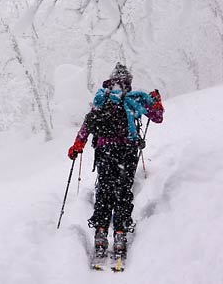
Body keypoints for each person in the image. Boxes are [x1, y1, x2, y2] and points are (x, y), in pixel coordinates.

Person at [67, 63, 164, 261]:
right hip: (127, 151)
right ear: (128, 81)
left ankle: (101, 234)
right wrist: (156, 102)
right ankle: (120, 234)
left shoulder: (102, 97)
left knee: (104, 189)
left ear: (111, 80)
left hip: (105, 150)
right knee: (123, 190)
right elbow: (157, 117)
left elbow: (88, 122)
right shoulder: (134, 98)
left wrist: (78, 145)